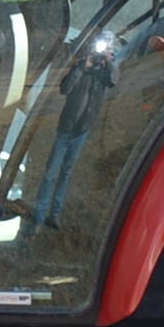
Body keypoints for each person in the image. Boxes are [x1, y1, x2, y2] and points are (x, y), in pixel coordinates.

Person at [30, 30, 118, 230]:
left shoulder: (106, 70)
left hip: (82, 129)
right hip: (66, 127)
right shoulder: (81, 66)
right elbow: (65, 88)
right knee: (51, 173)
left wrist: (108, 61)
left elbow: (113, 81)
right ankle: (39, 217)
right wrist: (82, 67)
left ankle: (54, 215)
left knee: (66, 173)